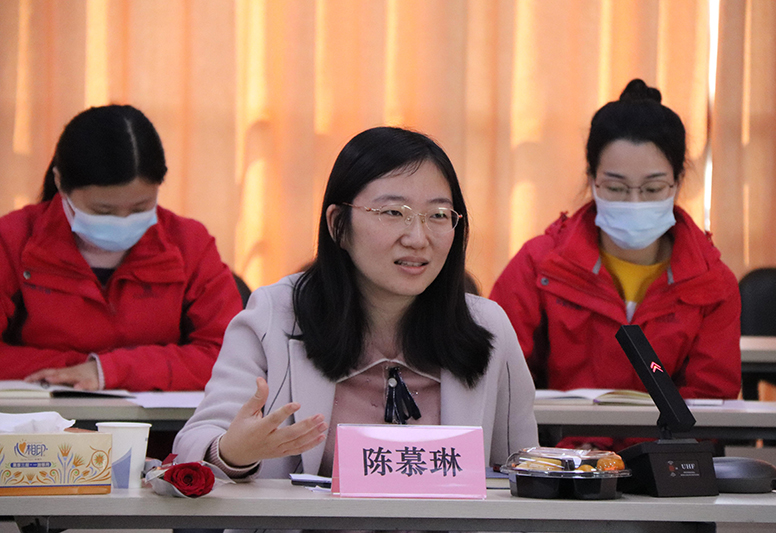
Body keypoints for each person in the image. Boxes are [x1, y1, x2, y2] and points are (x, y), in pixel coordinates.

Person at [173, 126, 538, 479]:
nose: (418, 237)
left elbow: (521, 468)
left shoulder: (487, 326)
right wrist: (233, 453)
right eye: (393, 213)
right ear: (338, 225)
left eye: (439, 215)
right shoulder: (275, 314)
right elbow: (195, 444)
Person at [490, 79, 741, 448]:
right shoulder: (539, 265)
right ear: (592, 180)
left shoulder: (712, 282)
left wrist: (646, 459)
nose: (634, 202)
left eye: (652, 189)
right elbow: (498, 378)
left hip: (663, 463)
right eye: (616, 188)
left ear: (678, 182)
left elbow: (710, 400)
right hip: (558, 461)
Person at [0, 105, 243, 391]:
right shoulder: (13, 240)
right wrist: (78, 368)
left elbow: (230, 356)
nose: (123, 221)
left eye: (140, 208)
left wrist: (109, 370)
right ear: (60, 183)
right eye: (103, 210)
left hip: (162, 419)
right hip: (41, 416)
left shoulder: (189, 243)